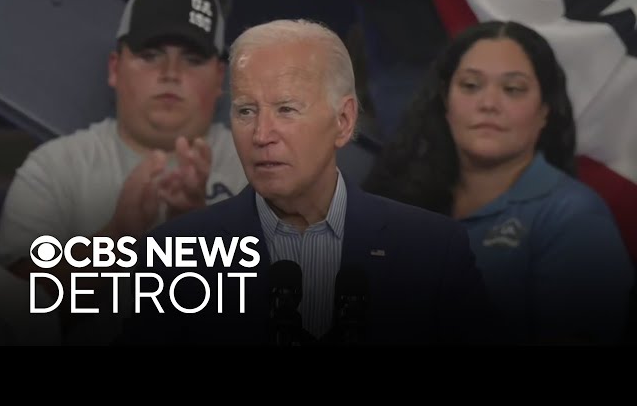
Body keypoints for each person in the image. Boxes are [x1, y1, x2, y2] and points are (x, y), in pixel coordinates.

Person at [117, 18, 492, 346]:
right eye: (246, 111)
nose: (262, 134)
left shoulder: (434, 253)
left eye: (286, 109)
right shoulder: (173, 258)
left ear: (343, 121)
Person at [0, 0, 248, 345]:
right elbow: (17, 312)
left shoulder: (266, 171)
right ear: (116, 68)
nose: (170, 72)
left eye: (192, 59)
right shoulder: (53, 167)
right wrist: (117, 237)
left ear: (219, 78)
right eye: (151, 54)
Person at [363, 20, 635, 344]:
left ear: (545, 111)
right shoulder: (403, 200)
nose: (488, 103)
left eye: (513, 89)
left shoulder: (575, 218)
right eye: (471, 85)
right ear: (445, 102)